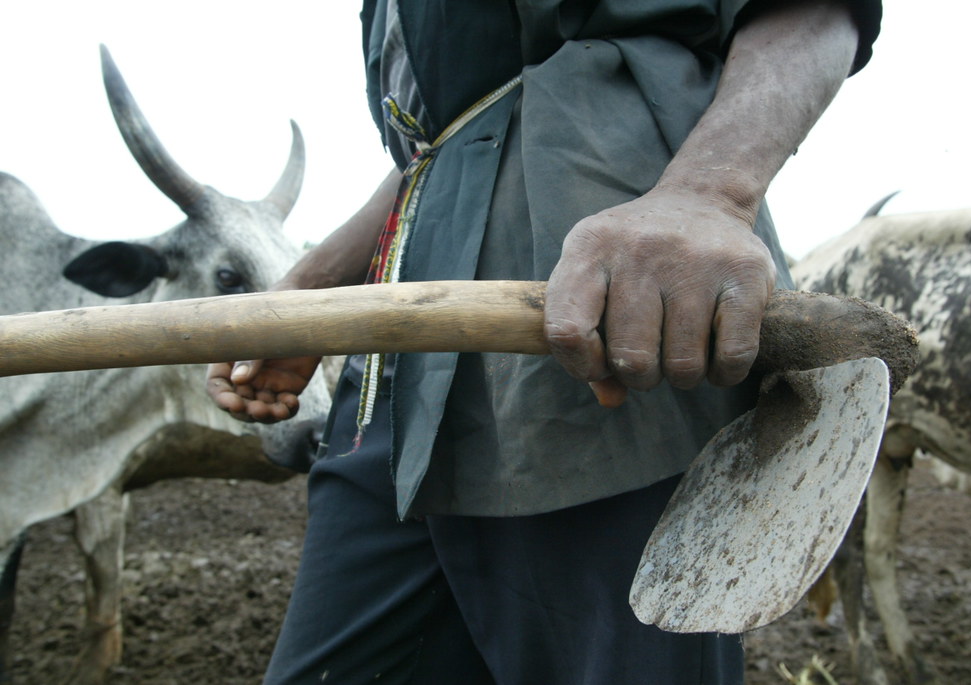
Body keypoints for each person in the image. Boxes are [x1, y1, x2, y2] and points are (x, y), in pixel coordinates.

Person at [206, 1, 882, 682]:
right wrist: (313, 290)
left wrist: (711, 193)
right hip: (405, 352)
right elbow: (451, 135)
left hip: (613, 310)